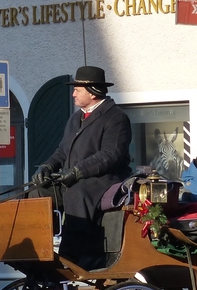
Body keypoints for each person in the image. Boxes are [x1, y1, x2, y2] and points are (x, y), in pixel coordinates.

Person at [31, 65, 132, 269]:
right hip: (73, 177)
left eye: (77, 89)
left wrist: (78, 172)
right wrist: (47, 166)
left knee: (78, 192)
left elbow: (110, 154)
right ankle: (37, 252)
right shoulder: (75, 118)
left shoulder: (116, 117)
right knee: (37, 191)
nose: (73, 93)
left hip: (103, 180)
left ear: (93, 92)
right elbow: (62, 150)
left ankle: (71, 258)